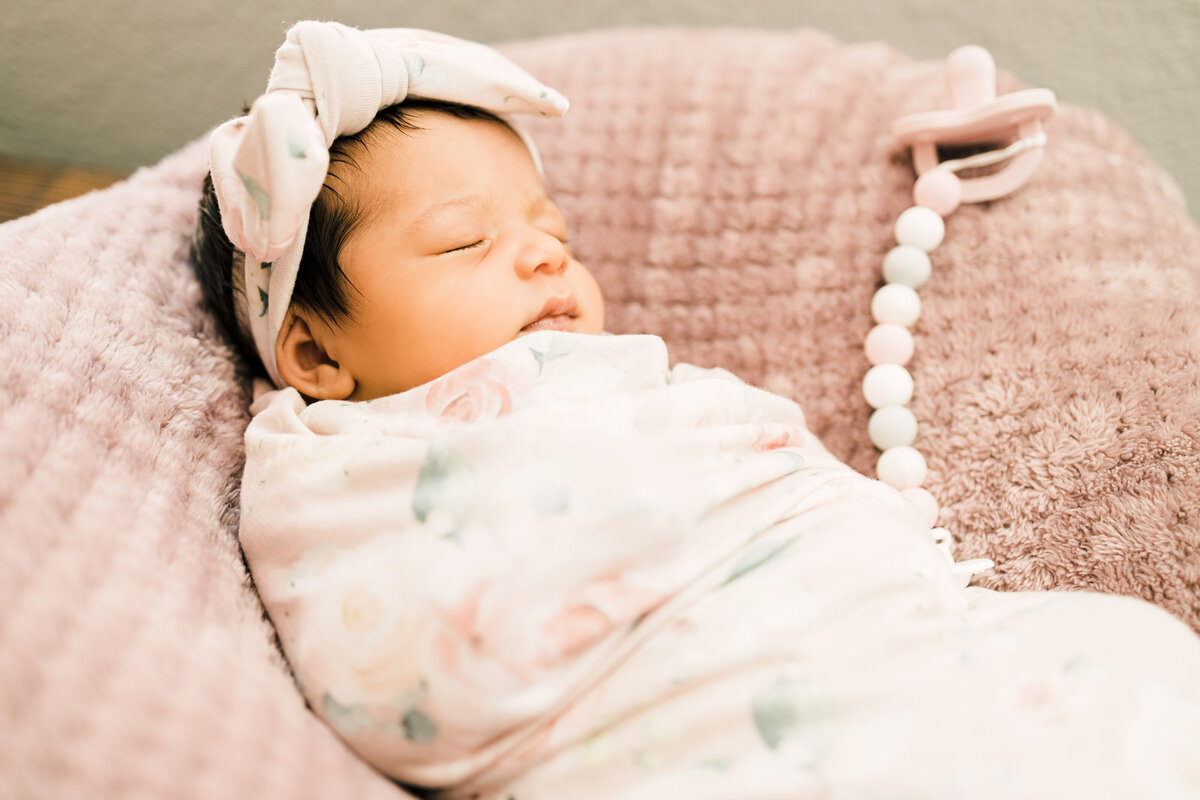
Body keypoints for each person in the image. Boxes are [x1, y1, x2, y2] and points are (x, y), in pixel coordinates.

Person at [192, 21, 1200, 800]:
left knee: (1129, 651)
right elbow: (394, 669)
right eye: (464, 242)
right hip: (683, 709)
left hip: (868, 626)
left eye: (552, 231)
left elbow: (762, 468)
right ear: (317, 351)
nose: (547, 254)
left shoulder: (619, 378)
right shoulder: (329, 466)